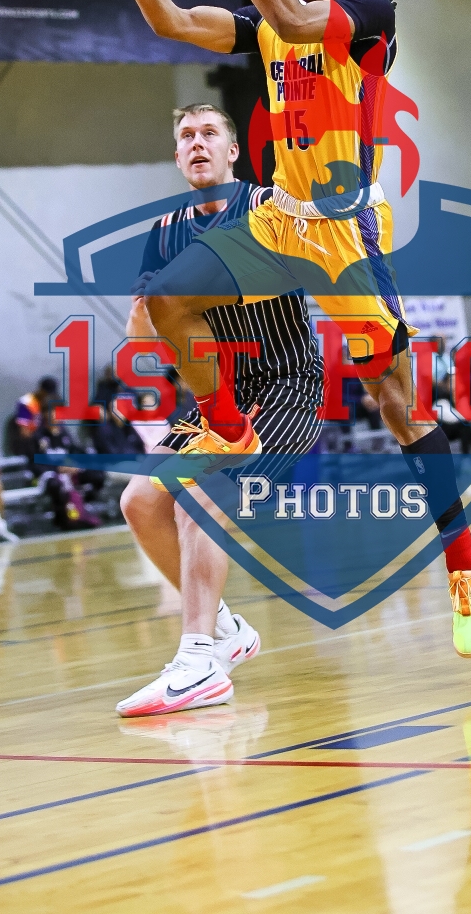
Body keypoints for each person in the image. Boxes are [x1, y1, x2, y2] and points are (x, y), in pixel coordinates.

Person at [103, 0, 471, 661]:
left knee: (396, 402)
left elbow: (291, 16)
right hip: (281, 218)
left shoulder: (368, 16)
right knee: (170, 299)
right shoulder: (269, 24)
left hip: (345, 231)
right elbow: (170, 20)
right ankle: (226, 423)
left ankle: (466, 564)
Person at [115, 102, 325, 716]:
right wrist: (146, 312)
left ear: (233, 152)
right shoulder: (164, 233)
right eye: (187, 136)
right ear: (177, 156)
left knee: (200, 494)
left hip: (286, 385)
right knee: (140, 500)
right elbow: (141, 340)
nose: (197, 143)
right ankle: (227, 630)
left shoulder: (268, 208)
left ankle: (198, 661)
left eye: (210, 133)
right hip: (219, 397)